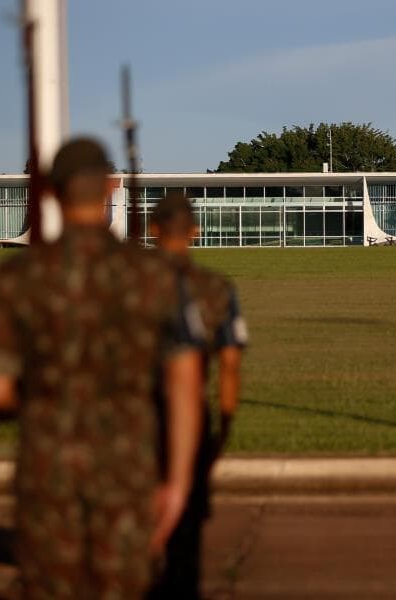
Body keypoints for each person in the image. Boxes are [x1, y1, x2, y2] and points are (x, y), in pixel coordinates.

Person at [0, 138, 204, 599]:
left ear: (49, 191)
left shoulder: (16, 277)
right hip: (128, 473)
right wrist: (178, 482)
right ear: (109, 186)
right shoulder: (158, 276)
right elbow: (185, 383)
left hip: (46, 474)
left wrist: (47, 402)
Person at [146, 191, 248, 600]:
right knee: (185, 541)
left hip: (134, 420)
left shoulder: (128, 284)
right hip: (191, 419)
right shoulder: (216, 288)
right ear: (195, 232)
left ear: (153, 230)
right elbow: (229, 364)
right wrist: (224, 424)